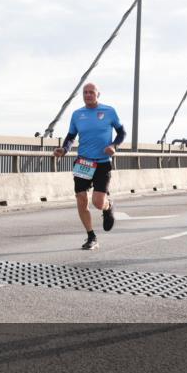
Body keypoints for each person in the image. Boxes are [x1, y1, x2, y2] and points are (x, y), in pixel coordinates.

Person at [53, 83, 126, 250]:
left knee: (98, 202)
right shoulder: (77, 114)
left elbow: (122, 133)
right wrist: (64, 149)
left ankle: (108, 206)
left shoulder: (109, 111)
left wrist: (114, 146)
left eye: (91, 92)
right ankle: (91, 236)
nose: (88, 95)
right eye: (85, 92)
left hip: (102, 163)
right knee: (81, 199)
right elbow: (71, 137)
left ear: (98, 94)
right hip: (83, 162)